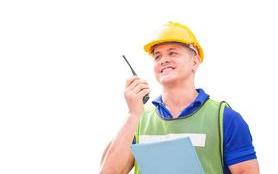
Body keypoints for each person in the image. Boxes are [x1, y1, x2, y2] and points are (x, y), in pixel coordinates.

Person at [100, 21, 259, 173]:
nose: (164, 60)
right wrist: (133, 114)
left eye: (173, 53)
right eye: (157, 56)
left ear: (195, 62)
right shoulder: (138, 120)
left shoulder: (225, 119)